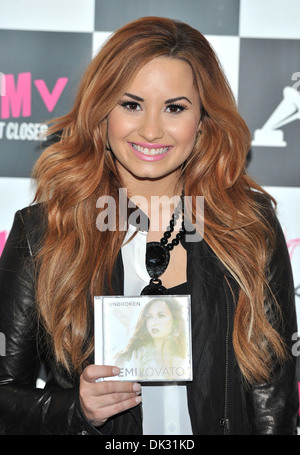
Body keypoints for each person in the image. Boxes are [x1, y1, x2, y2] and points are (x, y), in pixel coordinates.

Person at [0, 16, 298, 435]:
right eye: (131, 104)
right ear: (101, 113)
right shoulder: (46, 232)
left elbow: (274, 398)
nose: (152, 129)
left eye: (175, 108)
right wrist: (78, 409)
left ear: (203, 121)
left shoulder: (247, 225)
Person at [115, 297, 189, 380]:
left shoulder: (184, 359)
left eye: (161, 315)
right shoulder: (134, 357)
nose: (153, 322)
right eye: (149, 317)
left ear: (174, 320)